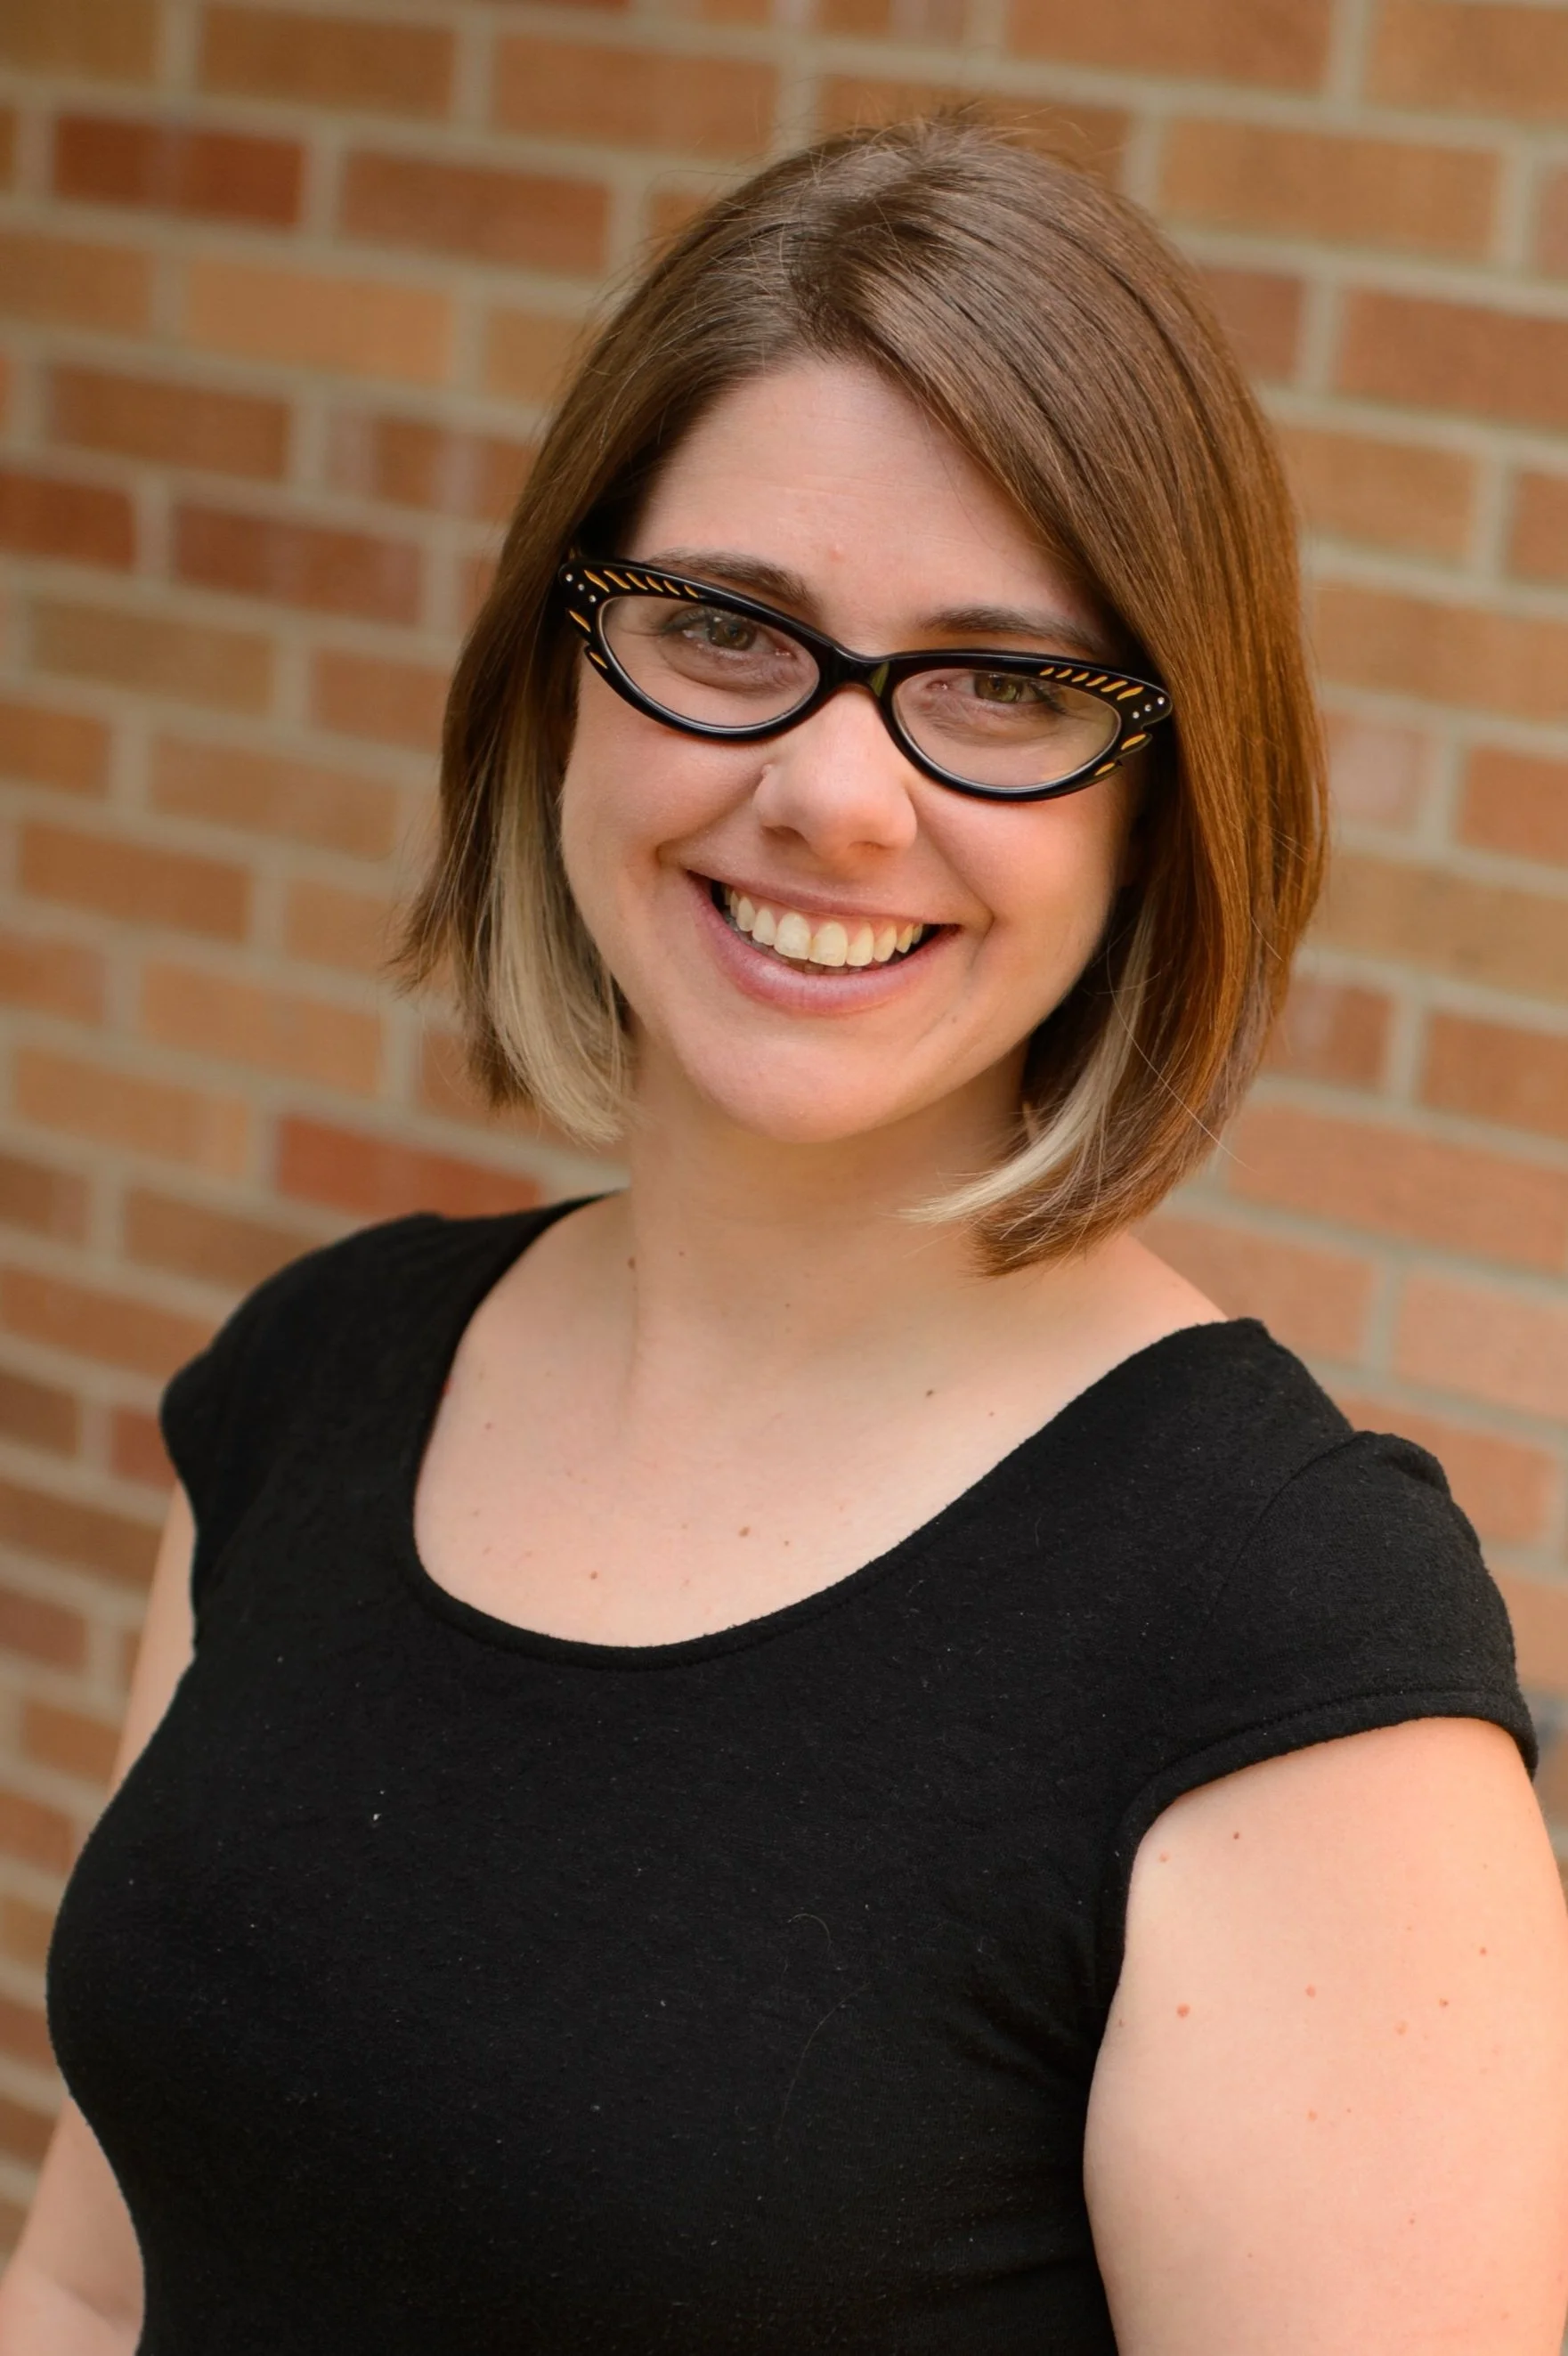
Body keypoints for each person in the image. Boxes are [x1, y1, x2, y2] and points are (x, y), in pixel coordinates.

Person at [4, 116, 1566, 2356]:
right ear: (561, 671)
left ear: (1159, 804)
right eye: (726, 628)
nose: (835, 795)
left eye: (1003, 684)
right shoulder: (309, 1384)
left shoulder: (1272, 1633)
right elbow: (92, 2278)